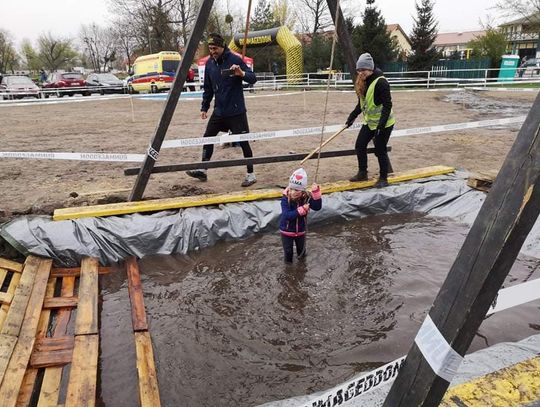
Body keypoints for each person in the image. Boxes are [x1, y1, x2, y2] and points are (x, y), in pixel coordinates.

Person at [186, 32, 258, 187]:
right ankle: (203, 170)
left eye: (215, 48)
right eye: (210, 48)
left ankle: (251, 174)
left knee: (243, 142)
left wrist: (242, 73)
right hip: (219, 112)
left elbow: (253, 78)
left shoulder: (235, 60)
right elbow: (208, 88)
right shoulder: (210, 64)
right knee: (207, 138)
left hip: (236, 111)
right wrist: (204, 106)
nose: (212, 51)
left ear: (222, 46)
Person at [345, 52, 395, 188]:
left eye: (364, 70)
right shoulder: (363, 82)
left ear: (371, 69)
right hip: (370, 123)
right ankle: (363, 173)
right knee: (360, 145)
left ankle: (383, 178)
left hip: (384, 124)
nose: (361, 73)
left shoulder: (381, 82)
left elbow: (388, 105)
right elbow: (363, 104)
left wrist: (381, 125)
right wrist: (352, 117)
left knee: (380, 149)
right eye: (359, 70)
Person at [279, 168, 322, 263]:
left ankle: (302, 271)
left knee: (302, 253)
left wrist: (316, 193)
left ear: (303, 190)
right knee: (288, 253)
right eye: (292, 189)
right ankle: (288, 270)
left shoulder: (306, 197)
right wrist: (301, 210)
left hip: (301, 231)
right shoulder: (285, 199)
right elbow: (287, 216)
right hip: (287, 231)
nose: (294, 192)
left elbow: (317, 207)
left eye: (297, 190)